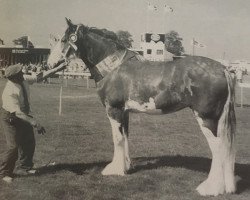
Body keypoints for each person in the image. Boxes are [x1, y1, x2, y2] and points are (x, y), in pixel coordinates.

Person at [0, 63, 66, 183]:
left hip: (24, 114)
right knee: (13, 146)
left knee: (29, 142)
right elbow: (18, 113)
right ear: (13, 77)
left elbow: (41, 76)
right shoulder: (9, 91)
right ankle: (5, 173)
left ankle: (25, 167)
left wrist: (59, 68)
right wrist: (35, 123)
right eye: (20, 73)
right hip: (11, 118)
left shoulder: (23, 79)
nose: (23, 74)